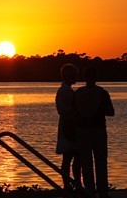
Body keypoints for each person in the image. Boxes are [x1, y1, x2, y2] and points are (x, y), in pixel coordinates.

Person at [75, 67, 114, 198]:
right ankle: (103, 192)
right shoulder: (102, 93)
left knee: (86, 163)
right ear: (96, 78)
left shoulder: (78, 93)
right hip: (98, 130)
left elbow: (73, 113)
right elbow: (111, 112)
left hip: (82, 131)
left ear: (84, 78)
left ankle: (90, 192)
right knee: (101, 162)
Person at [55, 63, 82, 193]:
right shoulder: (64, 91)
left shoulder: (67, 90)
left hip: (71, 128)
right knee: (69, 158)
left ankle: (75, 184)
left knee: (74, 158)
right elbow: (63, 111)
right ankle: (69, 185)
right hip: (68, 129)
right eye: (75, 75)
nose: (77, 77)